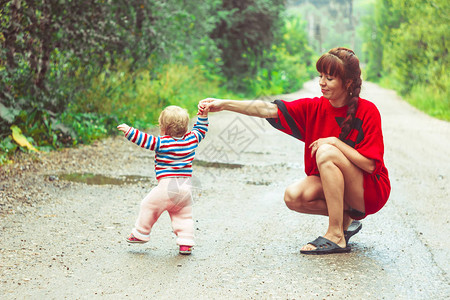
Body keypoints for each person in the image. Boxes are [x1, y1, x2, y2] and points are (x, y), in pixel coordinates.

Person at [198, 47, 390, 255]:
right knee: (294, 196)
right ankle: (345, 219)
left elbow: (371, 165)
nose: (321, 83)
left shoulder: (368, 111)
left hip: (369, 192)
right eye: (320, 76)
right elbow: (267, 109)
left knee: (325, 151)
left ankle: (336, 234)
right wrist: (224, 104)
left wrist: (335, 142)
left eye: (330, 78)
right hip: (346, 191)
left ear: (348, 82)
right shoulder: (314, 108)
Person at [117, 105, 208, 255]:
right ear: (186, 128)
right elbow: (201, 130)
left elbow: (144, 140)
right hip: (186, 188)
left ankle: (141, 232)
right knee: (184, 216)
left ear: (163, 128)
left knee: (148, 205)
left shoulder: (162, 143)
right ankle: (186, 243)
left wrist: (129, 131)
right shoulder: (192, 139)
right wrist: (203, 116)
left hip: (167, 187)